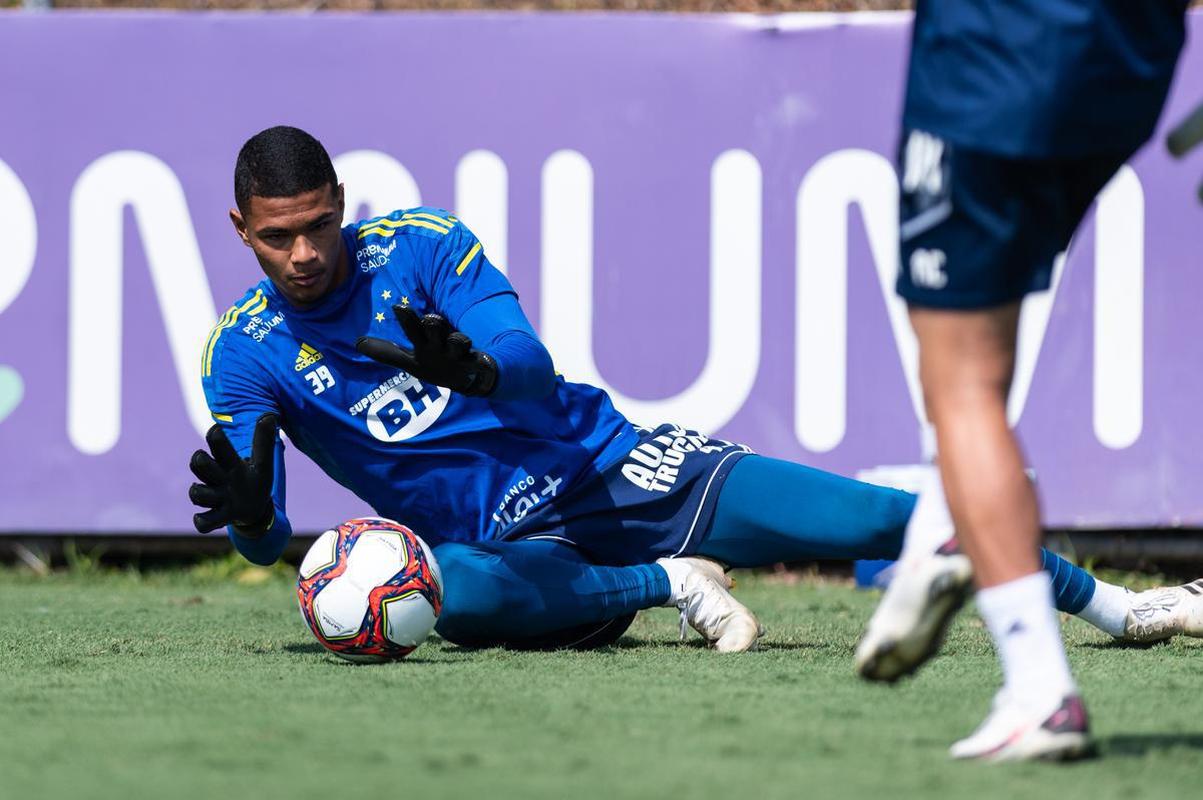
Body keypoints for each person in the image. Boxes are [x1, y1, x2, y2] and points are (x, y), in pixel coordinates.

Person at [188, 125, 1201, 658]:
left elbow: (524, 355)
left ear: (342, 206)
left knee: (878, 515)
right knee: (447, 596)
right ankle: (673, 584)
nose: (307, 250)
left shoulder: (419, 243)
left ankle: (1121, 607)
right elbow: (262, 529)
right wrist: (251, 522)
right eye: (279, 235)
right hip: (514, 549)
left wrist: (483, 371)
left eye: (320, 223)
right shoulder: (242, 354)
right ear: (242, 230)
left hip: (614, 464)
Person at [855, 0, 1192, 763]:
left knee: (959, 381)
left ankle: (1038, 691)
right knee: (988, 334)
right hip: (1129, 61)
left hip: (990, 65)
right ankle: (943, 524)